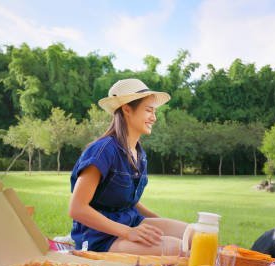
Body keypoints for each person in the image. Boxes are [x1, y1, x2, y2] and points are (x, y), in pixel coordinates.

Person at [68, 78, 187, 255]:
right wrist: (128, 233)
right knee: (177, 249)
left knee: (193, 235)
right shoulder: (102, 151)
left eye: (154, 111)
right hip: (98, 237)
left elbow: (128, 200)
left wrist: (158, 221)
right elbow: (77, 208)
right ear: (127, 109)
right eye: (148, 110)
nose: (153, 117)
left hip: (131, 222)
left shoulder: (139, 154)